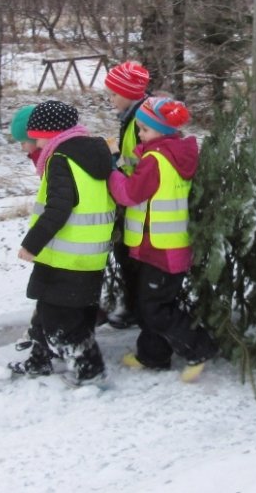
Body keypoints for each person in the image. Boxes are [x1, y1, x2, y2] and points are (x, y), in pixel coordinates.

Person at [107, 96, 217, 383]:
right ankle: (153, 355)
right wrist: (120, 159)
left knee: (155, 308)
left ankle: (199, 347)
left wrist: (110, 173)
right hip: (159, 245)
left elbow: (130, 193)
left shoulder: (156, 160)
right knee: (149, 305)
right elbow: (139, 173)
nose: (140, 134)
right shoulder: (169, 153)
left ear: (163, 130)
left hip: (161, 248)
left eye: (145, 129)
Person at [8, 100, 116, 386]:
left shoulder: (61, 160)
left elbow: (58, 208)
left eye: (37, 136)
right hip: (87, 254)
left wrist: (31, 244)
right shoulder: (89, 154)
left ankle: (90, 370)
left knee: (62, 322)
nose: (34, 143)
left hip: (66, 255)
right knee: (55, 312)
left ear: (50, 133)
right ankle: (39, 360)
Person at [103, 61, 152, 329]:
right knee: (126, 252)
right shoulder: (131, 117)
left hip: (139, 197)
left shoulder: (139, 120)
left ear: (129, 93)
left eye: (114, 94)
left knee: (130, 254)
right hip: (132, 194)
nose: (111, 99)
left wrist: (115, 161)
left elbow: (141, 161)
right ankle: (134, 304)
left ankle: (136, 307)